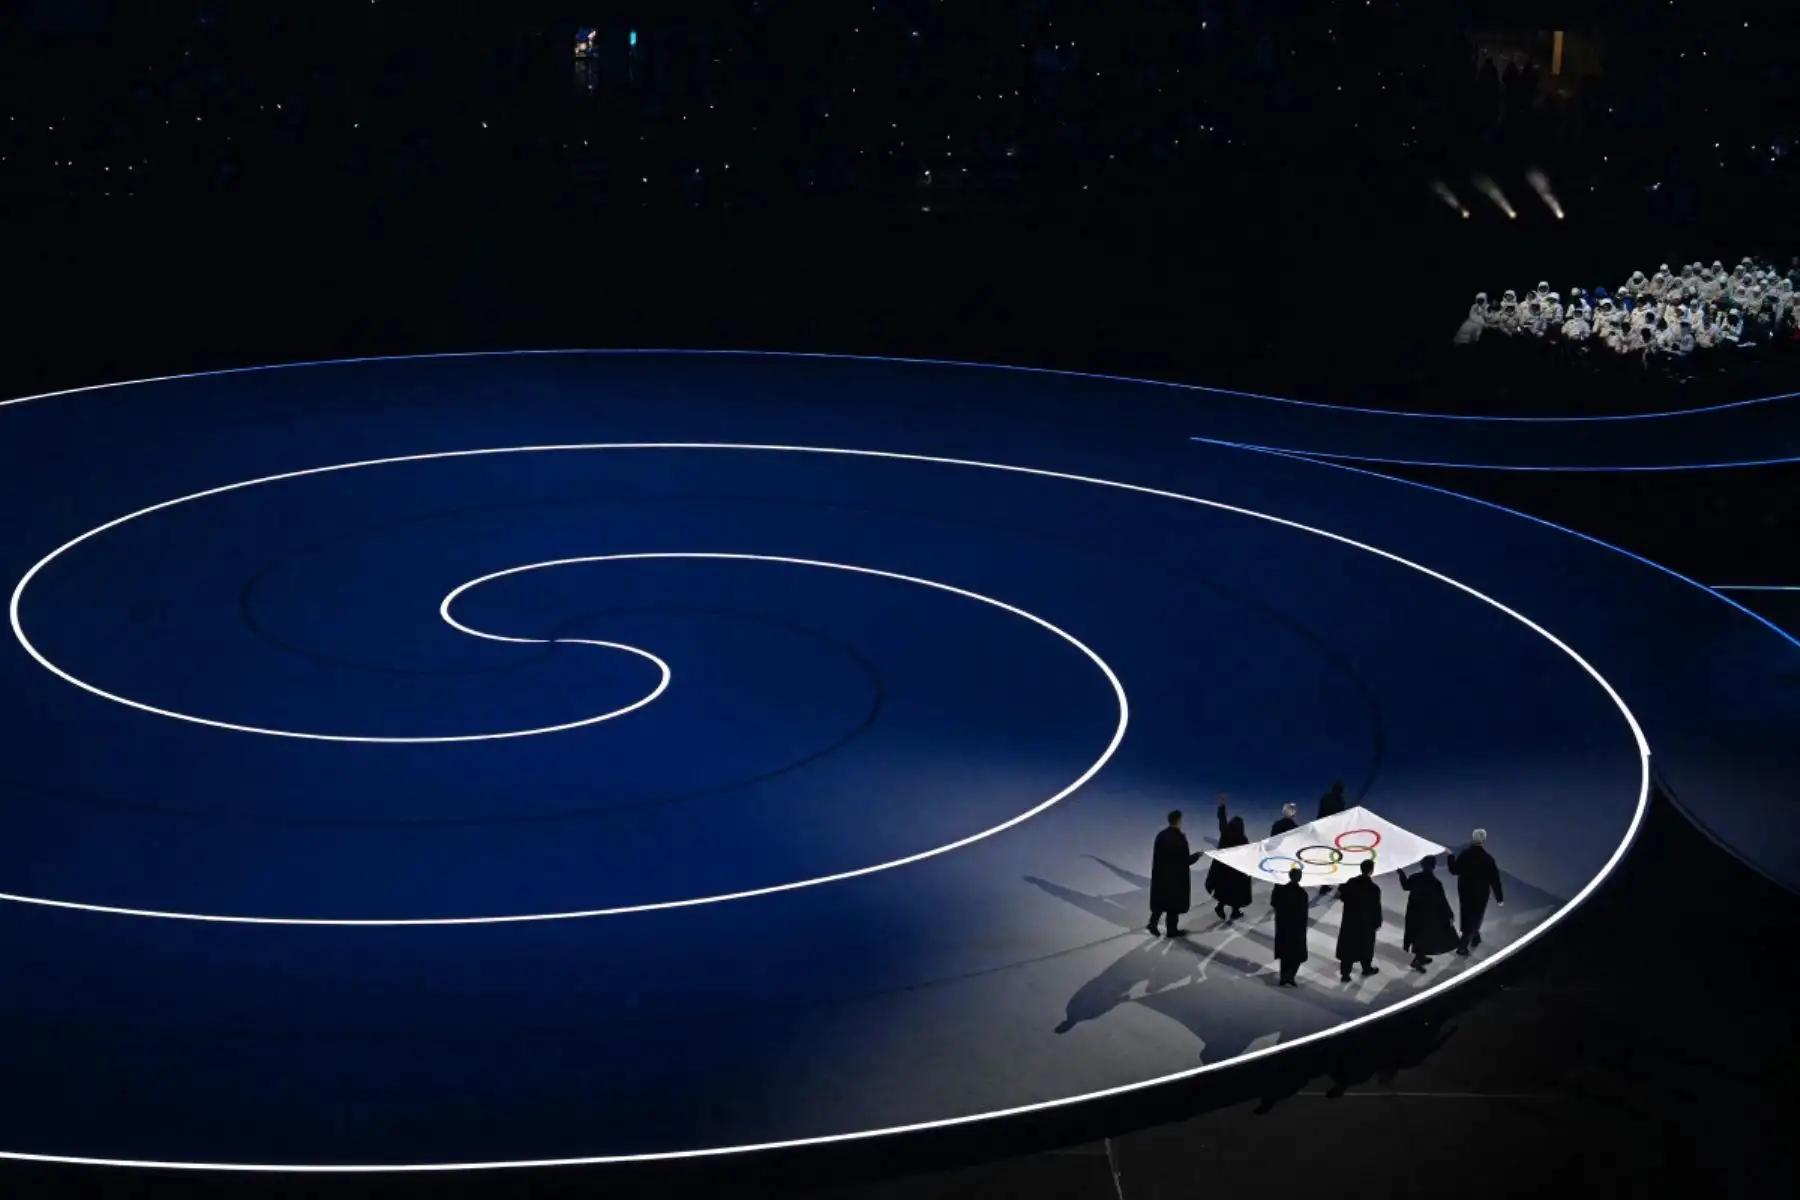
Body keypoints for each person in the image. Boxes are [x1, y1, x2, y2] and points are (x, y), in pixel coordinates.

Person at [1396, 856, 1460, 972]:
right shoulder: (1435, 883)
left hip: (1414, 913)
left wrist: (1401, 874)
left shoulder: (1415, 877)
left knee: (1418, 936)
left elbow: (1406, 886)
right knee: (1424, 937)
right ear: (1433, 866)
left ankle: (1420, 957)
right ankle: (1417, 960)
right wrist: (1449, 914)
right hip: (1428, 915)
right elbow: (1442, 901)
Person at [1447, 829, 1504, 954]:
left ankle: (1475, 938)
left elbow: (1454, 870)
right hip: (1480, 894)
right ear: (1484, 840)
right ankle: (1462, 947)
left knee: (1467, 915)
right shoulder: (1488, 859)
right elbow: (1494, 880)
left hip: (1464, 892)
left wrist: (1450, 857)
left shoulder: (1465, 854)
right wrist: (1499, 898)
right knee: (1475, 918)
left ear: (1473, 838)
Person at [1148, 809, 1203, 936]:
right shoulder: (1180, 839)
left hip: (1161, 876)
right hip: (1175, 878)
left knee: (1160, 902)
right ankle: (1171, 930)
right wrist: (1197, 855)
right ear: (1178, 821)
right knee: (1173, 905)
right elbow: (1185, 861)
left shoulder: (1161, 835)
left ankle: (1152, 924)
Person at [1205, 795, 1252, 920]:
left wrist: (1222, 805)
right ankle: (1235, 911)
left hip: (1224, 869)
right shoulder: (1242, 840)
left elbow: (1222, 820)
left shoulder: (1226, 833)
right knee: (1236, 891)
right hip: (1236, 872)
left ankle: (1220, 907)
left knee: (1224, 889)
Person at [1334, 859, 1382, 982]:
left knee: (1348, 947)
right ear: (1371, 870)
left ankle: (1345, 973)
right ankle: (1366, 968)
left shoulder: (1351, 882)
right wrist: (1377, 922)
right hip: (1366, 923)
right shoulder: (1374, 888)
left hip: (1350, 921)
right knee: (1365, 946)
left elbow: (1342, 895)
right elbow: (1376, 908)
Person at [1270, 866, 1309, 987]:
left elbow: (1274, 902)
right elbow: (1304, 913)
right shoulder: (1302, 894)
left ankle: (1284, 976)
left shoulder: (1281, 889)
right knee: (1296, 954)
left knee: (1285, 953)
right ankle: (1290, 976)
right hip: (1296, 928)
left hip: (1283, 925)